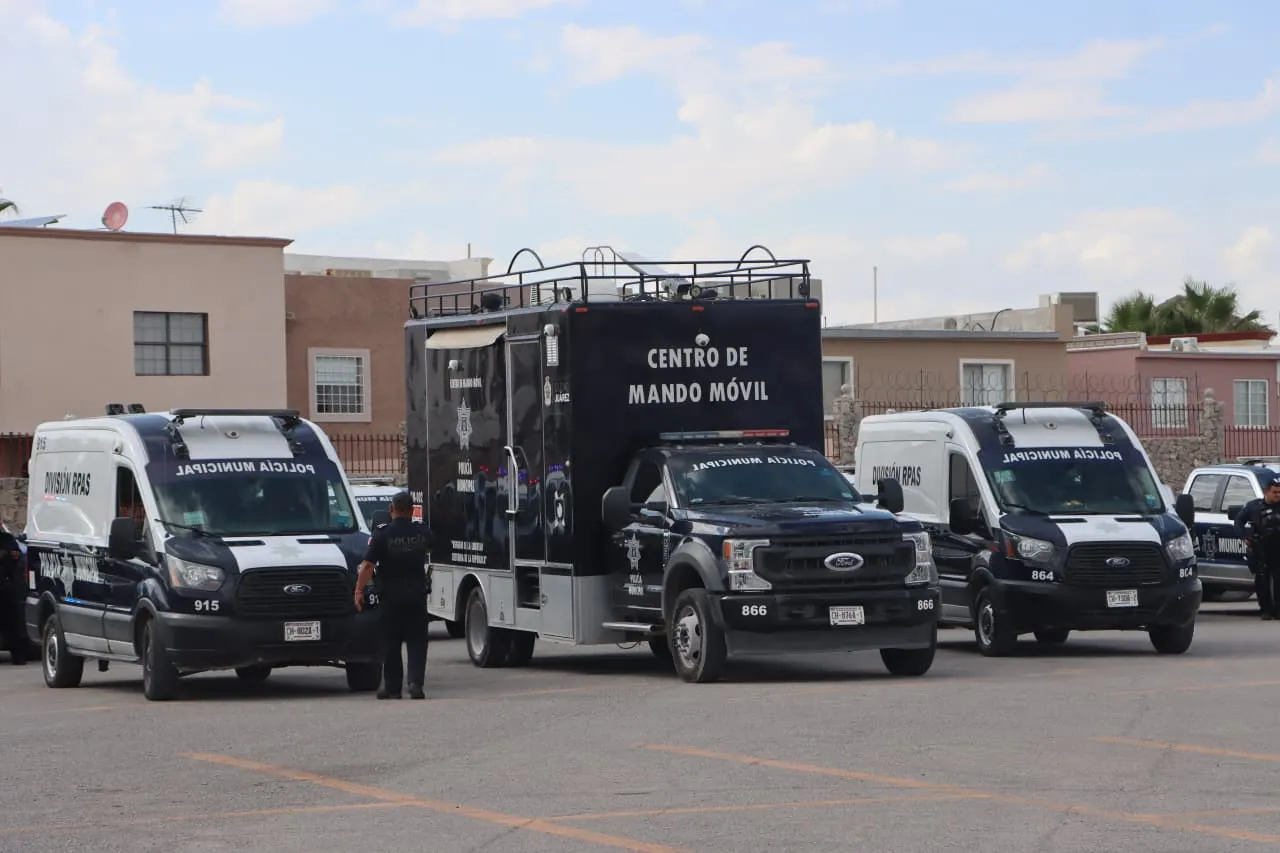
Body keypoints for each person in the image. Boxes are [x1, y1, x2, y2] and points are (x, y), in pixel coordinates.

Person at [354, 491, 431, 699]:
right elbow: (432, 549)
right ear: (412, 510)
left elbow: (368, 566)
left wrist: (359, 590)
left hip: (390, 597)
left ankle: (392, 688)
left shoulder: (382, 534)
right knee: (417, 641)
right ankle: (415, 683)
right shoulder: (422, 532)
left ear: (391, 509)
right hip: (416, 596)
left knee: (390, 642)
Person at [1234, 475, 1280, 620]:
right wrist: (1245, 537)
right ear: (1266, 492)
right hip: (1261, 548)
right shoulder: (1254, 507)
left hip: (1278, 548)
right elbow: (1238, 521)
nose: (1278, 495)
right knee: (1262, 579)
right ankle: (1265, 610)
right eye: (1275, 492)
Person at [0, 525, 27, 665]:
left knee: (12, 622)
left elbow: (17, 555)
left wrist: (12, 554)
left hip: (7, 587)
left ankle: (18, 655)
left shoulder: (7, 538)